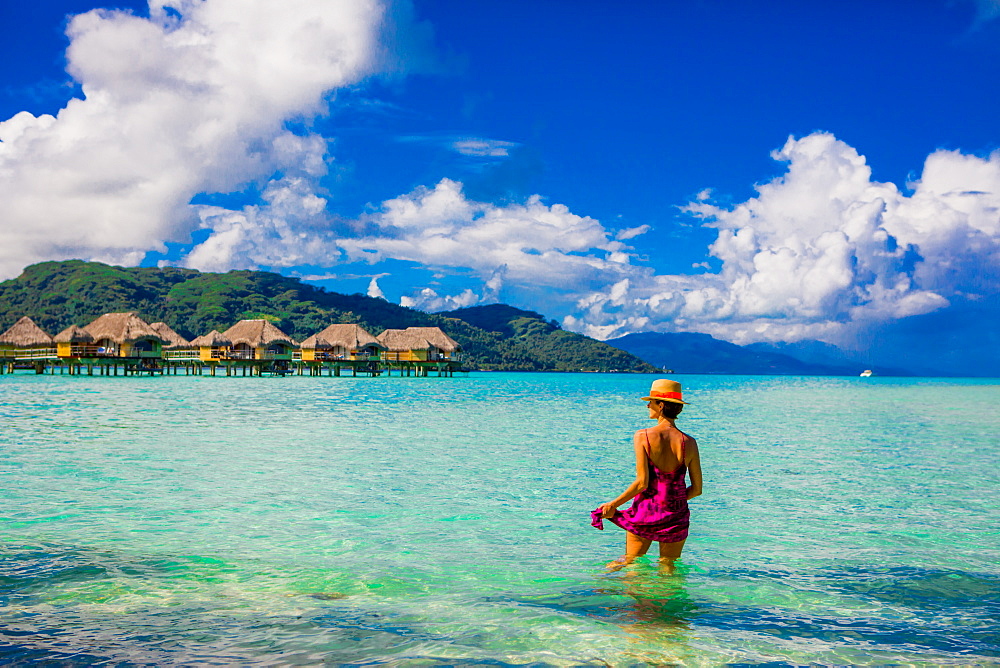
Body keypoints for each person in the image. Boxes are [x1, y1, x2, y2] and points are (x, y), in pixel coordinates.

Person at [591, 379, 703, 570]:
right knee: (669, 570)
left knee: (630, 562)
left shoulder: (643, 436)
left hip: (646, 513)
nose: (647, 405)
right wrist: (672, 503)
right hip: (676, 517)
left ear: (660, 405)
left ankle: (605, 592)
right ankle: (670, 600)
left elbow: (642, 483)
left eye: (651, 401)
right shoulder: (690, 443)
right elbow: (697, 489)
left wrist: (612, 505)